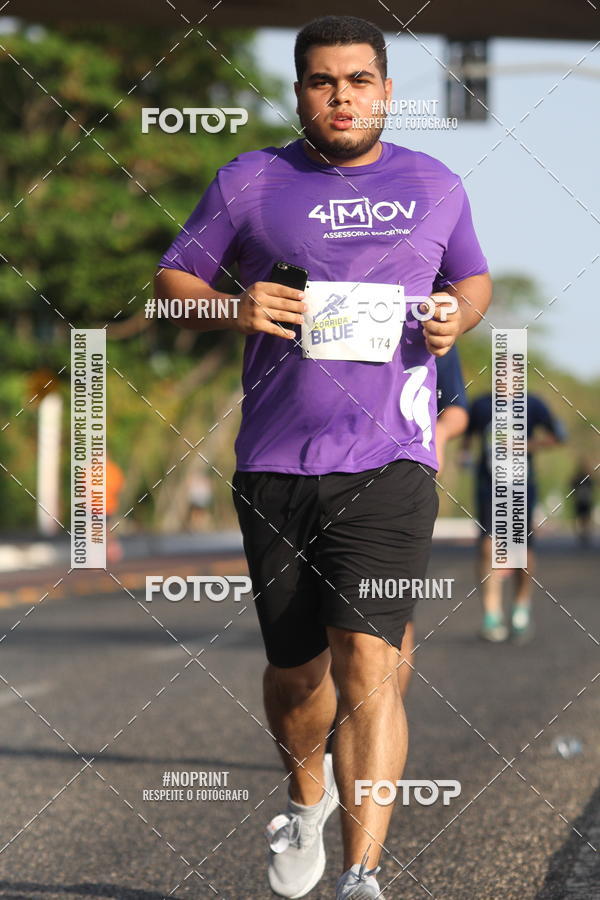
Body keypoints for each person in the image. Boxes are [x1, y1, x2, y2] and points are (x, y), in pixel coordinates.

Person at [155, 15, 491, 898]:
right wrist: (231, 308)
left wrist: (461, 314)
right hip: (275, 461)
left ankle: (363, 875)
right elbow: (174, 283)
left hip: (391, 459)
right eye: (321, 81)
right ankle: (305, 804)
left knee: (369, 663)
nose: (341, 95)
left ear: (385, 90)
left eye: (358, 79)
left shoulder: (435, 183)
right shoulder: (250, 180)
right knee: (299, 674)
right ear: (300, 91)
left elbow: (473, 280)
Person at [395, 345, 470, 698]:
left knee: (391, 618)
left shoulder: (425, 313)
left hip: (398, 481)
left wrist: (438, 433)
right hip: (307, 478)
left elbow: (456, 408)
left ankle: (369, 727)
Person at [465, 392, 564, 643]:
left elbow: (558, 437)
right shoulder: (481, 404)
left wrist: (524, 445)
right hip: (488, 486)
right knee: (488, 546)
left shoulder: (533, 404)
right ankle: (492, 614)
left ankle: (521, 606)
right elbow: (467, 439)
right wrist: (463, 455)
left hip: (521, 486)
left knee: (522, 551)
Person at [570, 460, 595, 546]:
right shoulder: (578, 479)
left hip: (585, 500)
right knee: (581, 518)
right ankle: (582, 533)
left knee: (585, 518)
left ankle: (585, 533)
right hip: (580, 500)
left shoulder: (588, 479)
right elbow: (571, 485)